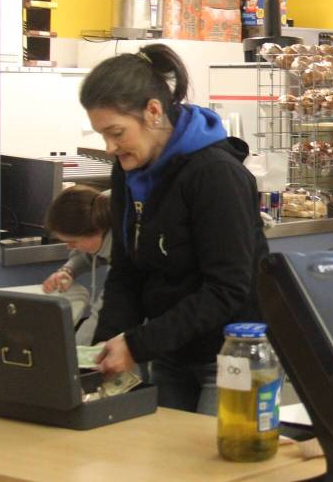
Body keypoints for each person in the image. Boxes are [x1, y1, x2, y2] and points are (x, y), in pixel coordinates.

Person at [80, 43, 268, 415]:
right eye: (102, 134)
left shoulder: (215, 174)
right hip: (170, 352)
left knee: (214, 468)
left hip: (230, 356)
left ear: (153, 111)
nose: (110, 146)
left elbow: (227, 289)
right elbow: (127, 270)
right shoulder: (129, 169)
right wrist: (100, 354)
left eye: (117, 132)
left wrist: (137, 344)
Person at [42, 185, 112, 347]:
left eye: (73, 242)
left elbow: (104, 314)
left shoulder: (128, 245)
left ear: (98, 230)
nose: (69, 247)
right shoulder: (98, 208)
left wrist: (72, 357)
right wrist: (68, 270)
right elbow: (91, 252)